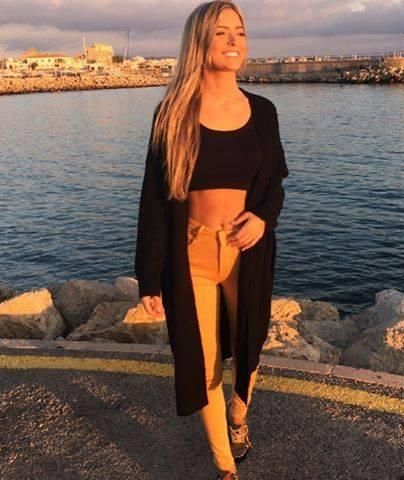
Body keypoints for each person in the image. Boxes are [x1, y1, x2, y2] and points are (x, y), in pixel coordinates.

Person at [135, 2, 289, 479]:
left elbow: (276, 183)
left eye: (239, 31)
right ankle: (226, 468)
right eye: (221, 32)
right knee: (201, 361)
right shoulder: (172, 114)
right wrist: (150, 278)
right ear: (199, 42)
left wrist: (262, 219)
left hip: (248, 251)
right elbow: (154, 200)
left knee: (250, 343)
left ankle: (239, 414)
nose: (233, 40)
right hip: (191, 255)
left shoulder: (262, 112)